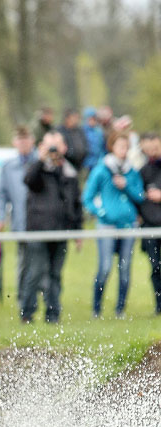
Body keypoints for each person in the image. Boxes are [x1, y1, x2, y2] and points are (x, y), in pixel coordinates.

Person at [21, 131, 83, 324]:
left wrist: (77, 230)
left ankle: (53, 314)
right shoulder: (37, 168)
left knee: (55, 274)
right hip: (39, 230)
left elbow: (75, 202)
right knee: (36, 272)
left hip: (60, 230)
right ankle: (27, 313)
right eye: (50, 146)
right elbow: (29, 180)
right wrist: (41, 160)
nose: (54, 150)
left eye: (56, 146)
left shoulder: (68, 171)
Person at [82, 129, 144, 319]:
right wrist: (102, 212)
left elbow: (140, 196)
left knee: (125, 269)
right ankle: (96, 309)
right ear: (112, 147)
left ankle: (120, 310)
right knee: (105, 267)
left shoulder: (131, 172)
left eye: (126, 147)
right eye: (120, 146)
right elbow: (88, 198)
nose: (123, 150)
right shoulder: (102, 170)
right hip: (107, 226)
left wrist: (126, 186)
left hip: (127, 225)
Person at [0, 124, 37, 305]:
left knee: (40, 266)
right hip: (21, 223)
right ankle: (24, 300)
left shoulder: (39, 163)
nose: (23, 143)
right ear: (15, 142)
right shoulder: (9, 167)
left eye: (26, 139)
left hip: (40, 222)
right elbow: (1, 194)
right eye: (20, 139)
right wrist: (0, 217)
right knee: (24, 264)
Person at [138, 132, 161, 314]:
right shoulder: (143, 171)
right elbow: (137, 197)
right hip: (150, 227)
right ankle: (159, 305)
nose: (153, 152)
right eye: (150, 148)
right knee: (155, 268)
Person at [82, 108, 105, 173]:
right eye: (89, 119)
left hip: (98, 162)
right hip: (86, 163)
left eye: (93, 119)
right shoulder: (82, 131)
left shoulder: (99, 131)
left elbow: (102, 146)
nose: (92, 121)